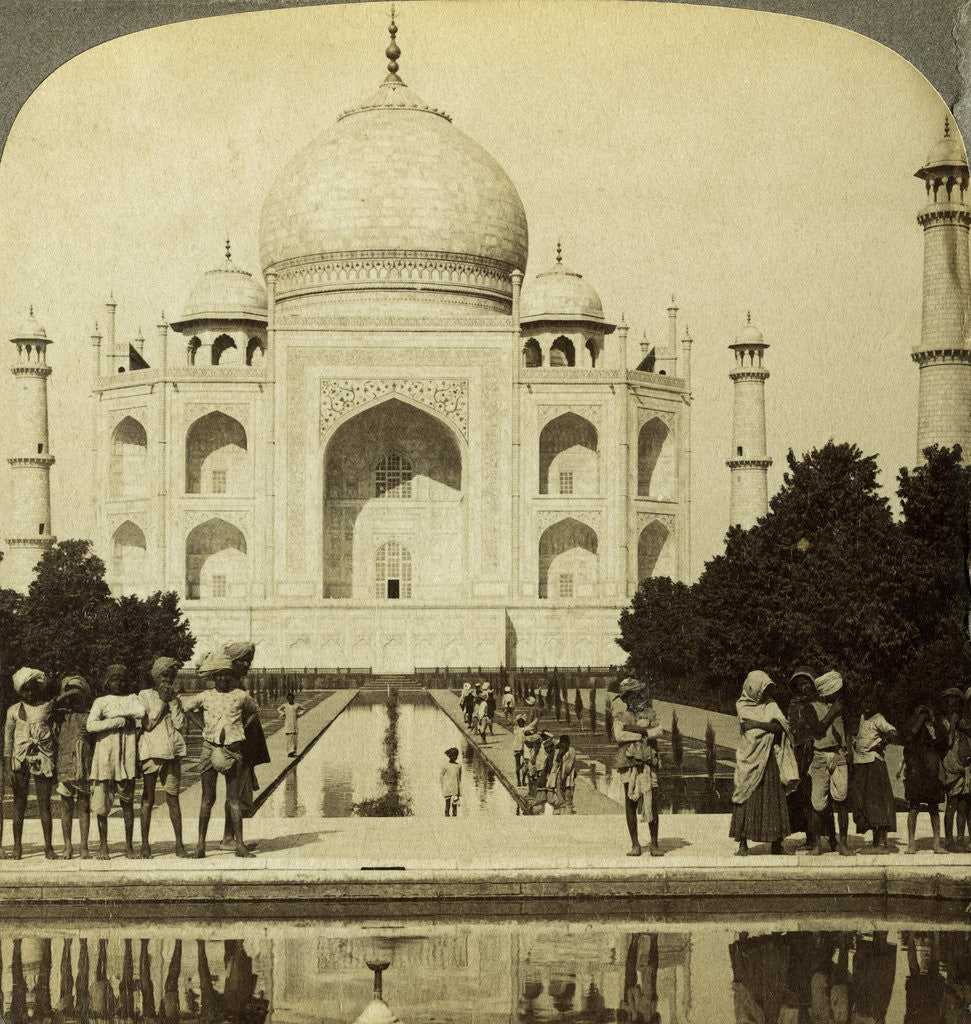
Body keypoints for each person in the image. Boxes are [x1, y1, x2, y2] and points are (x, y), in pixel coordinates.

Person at [178, 650, 259, 857]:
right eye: (219, 674)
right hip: (209, 748)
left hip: (232, 750)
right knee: (207, 798)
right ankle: (200, 845)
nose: (223, 678)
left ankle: (239, 845)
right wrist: (202, 728)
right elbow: (186, 708)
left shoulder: (240, 696)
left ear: (232, 676)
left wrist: (240, 729)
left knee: (233, 799)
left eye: (227, 674)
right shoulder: (205, 696)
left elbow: (253, 711)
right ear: (213, 677)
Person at [730, 670, 793, 856]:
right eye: (763, 690)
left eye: (767, 690)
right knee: (745, 795)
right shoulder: (742, 706)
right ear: (753, 688)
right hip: (749, 759)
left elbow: (780, 726)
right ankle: (742, 843)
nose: (766, 694)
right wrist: (766, 727)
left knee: (773, 799)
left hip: (768, 760)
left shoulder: (771, 704)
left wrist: (757, 725)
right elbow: (750, 734)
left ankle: (777, 844)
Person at [87, 664, 146, 860]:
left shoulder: (132, 698)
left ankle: (129, 846)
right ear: (107, 682)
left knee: (127, 802)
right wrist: (116, 721)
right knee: (102, 803)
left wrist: (119, 716)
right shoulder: (100, 701)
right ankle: (103, 846)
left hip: (126, 757)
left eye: (122, 679)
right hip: (105, 756)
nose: (118, 683)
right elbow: (91, 725)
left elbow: (140, 712)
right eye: (114, 679)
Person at [136, 657, 188, 858]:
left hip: (172, 753)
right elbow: (147, 724)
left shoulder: (175, 697)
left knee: (173, 798)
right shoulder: (145, 696)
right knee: (148, 797)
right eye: (164, 677)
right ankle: (144, 844)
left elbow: (180, 724)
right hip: (151, 753)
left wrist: (173, 701)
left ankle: (179, 845)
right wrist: (162, 702)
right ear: (156, 677)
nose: (167, 681)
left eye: (170, 677)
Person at [4, 667, 57, 859]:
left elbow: (54, 733)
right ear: (19, 690)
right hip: (19, 760)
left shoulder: (47, 707)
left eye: (33, 689)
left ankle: (48, 847)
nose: (30, 693)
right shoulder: (13, 710)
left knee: (45, 804)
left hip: (42, 757)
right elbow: (8, 741)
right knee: (19, 804)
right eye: (25, 689)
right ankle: (17, 847)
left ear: (39, 688)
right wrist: (8, 766)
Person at [221, 641, 269, 852]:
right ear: (234, 662)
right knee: (235, 792)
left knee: (237, 792)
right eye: (244, 661)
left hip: (246, 743)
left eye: (249, 661)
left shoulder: (237, 683)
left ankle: (229, 837)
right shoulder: (231, 684)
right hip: (237, 744)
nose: (248, 665)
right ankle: (228, 838)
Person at [612, 677, 663, 857]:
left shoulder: (650, 714)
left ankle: (655, 843)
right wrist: (642, 733)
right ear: (625, 699)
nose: (634, 699)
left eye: (637, 695)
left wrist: (634, 730)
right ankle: (635, 844)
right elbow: (619, 735)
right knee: (630, 802)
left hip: (648, 760)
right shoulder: (620, 716)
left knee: (652, 800)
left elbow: (658, 731)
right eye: (630, 696)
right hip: (628, 762)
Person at [806, 670, 852, 856]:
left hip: (838, 755)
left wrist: (850, 749)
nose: (837, 694)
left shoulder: (841, 706)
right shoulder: (810, 707)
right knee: (818, 803)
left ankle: (844, 843)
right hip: (819, 756)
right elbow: (817, 731)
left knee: (841, 800)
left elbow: (848, 728)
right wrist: (832, 712)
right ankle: (817, 844)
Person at [849, 683, 898, 852]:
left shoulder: (878, 718)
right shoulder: (863, 717)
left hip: (873, 763)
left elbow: (893, 732)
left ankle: (883, 841)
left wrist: (881, 744)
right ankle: (876, 841)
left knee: (877, 800)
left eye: (871, 701)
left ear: (876, 703)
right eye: (865, 701)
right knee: (864, 801)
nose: (867, 704)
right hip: (861, 763)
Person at [53, 674, 94, 859]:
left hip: (83, 766)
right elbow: (48, 709)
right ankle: (68, 845)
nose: (74, 698)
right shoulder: (60, 715)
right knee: (66, 806)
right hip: (64, 765)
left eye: (78, 694)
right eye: (71, 694)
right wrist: (64, 695)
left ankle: (84, 846)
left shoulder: (89, 714)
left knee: (84, 806)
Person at [902, 696, 948, 854]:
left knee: (933, 808)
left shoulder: (936, 727)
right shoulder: (912, 728)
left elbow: (943, 746)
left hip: (931, 772)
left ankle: (936, 843)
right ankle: (911, 843)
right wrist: (919, 722)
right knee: (914, 808)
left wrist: (932, 732)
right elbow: (907, 741)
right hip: (916, 772)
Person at [785, 665, 819, 851]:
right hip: (797, 754)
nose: (803, 688)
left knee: (815, 796)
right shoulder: (793, 703)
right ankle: (808, 836)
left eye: (806, 683)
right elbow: (791, 727)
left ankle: (818, 837)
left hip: (814, 753)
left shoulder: (817, 703)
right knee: (799, 796)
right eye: (799, 684)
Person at [941, 686, 971, 851]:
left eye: (956, 703)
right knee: (951, 805)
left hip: (964, 769)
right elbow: (948, 742)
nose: (953, 706)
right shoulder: (944, 723)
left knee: (963, 806)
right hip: (952, 768)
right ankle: (949, 840)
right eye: (950, 703)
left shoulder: (963, 722)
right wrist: (953, 723)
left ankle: (960, 839)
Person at [277, 692, 305, 757]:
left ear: (293, 698)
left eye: (291, 698)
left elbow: (304, 709)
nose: (290, 700)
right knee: (289, 739)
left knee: (295, 739)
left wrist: (299, 714)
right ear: (287, 699)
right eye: (289, 698)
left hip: (294, 724)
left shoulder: (297, 705)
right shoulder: (285, 705)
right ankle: (289, 752)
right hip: (288, 724)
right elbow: (278, 709)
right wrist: (283, 713)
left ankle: (294, 751)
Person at [554, 734, 577, 814]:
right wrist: (559, 754)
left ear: (568, 743)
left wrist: (563, 780)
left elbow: (568, 767)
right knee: (561, 800)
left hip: (568, 780)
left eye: (565, 743)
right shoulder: (558, 751)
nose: (564, 745)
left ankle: (568, 815)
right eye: (562, 743)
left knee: (568, 799)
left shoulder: (571, 751)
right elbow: (555, 765)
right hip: (560, 778)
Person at [440, 746, 461, 816]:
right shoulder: (445, 765)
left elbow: (459, 779)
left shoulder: (459, 766)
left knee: (454, 806)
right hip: (447, 788)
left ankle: (454, 822)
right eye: (453, 756)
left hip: (455, 788)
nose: (455, 757)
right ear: (450, 756)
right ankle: (447, 821)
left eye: (456, 756)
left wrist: (459, 791)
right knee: (447, 805)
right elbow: (441, 777)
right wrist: (443, 787)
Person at [512, 715, 526, 785]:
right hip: (522, 748)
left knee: (517, 765)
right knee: (524, 764)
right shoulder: (524, 729)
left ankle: (519, 781)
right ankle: (522, 780)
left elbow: (515, 721)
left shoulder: (516, 728)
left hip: (516, 748)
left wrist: (519, 717)